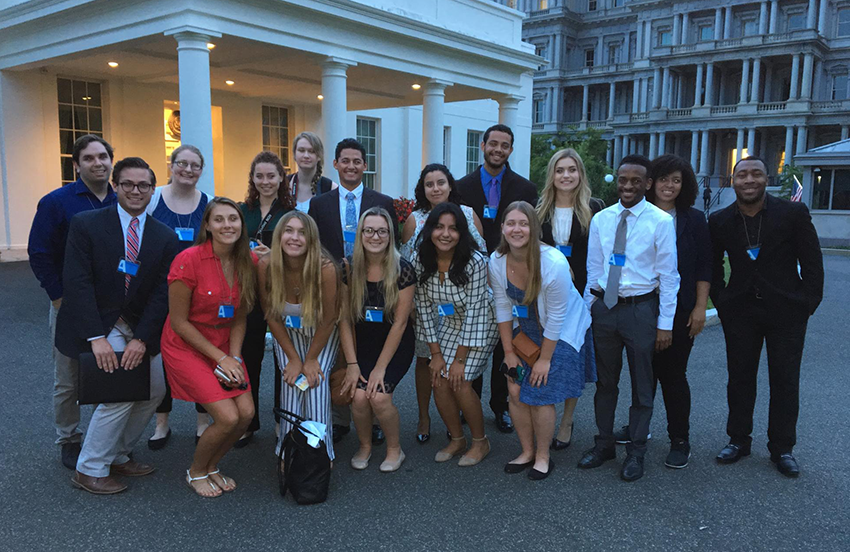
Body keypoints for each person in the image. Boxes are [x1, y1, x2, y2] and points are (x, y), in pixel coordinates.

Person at [56, 157, 178, 494]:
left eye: (143, 185)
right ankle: (90, 468)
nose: (135, 191)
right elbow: (77, 282)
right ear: (116, 186)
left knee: (154, 390)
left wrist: (141, 339)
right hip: (97, 323)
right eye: (128, 184)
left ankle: (117, 454)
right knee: (119, 393)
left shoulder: (164, 236)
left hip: (138, 327)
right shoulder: (86, 224)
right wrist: (97, 338)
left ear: (153, 191)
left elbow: (161, 293)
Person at [709, 157, 823, 478]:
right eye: (742, 174)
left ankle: (782, 448)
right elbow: (713, 267)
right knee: (740, 378)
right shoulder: (719, 221)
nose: (749, 180)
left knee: (785, 381)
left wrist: (806, 304)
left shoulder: (792, 214)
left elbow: (812, 264)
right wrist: (723, 302)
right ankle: (738, 440)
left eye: (755, 174)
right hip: (741, 313)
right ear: (733, 181)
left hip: (786, 313)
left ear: (766, 178)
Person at [577, 154, 679, 482]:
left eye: (636, 181)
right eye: (623, 179)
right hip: (606, 308)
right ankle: (604, 443)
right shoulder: (602, 219)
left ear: (648, 184)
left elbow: (669, 276)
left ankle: (636, 450)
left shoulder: (660, 222)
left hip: (641, 310)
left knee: (642, 384)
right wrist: (589, 309)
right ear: (616, 180)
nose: (628, 186)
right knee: (605, 383)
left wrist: (665, 324)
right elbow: (593, 266)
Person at [609, 155, 711, 469]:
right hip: (640, 307)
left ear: (685, 185)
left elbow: (705, 266)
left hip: (679, 311)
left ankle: (680, 438)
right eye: (664, 179)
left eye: (676, 180)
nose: (669, 186)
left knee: (673, 375)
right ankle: (640, 428)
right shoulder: (636, 215)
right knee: (643, 375)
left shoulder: (693, 219)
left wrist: (699, 308)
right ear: (652, 183)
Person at [28, 134, 117, 470]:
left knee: (109, 372)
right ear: (77, 164)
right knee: (68, 377)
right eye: (90, 158)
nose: (98, 163)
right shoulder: (56, 202)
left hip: (111, 307)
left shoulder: (120, 199)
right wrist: (57, 297)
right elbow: (39, 253)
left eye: (103, 157)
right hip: (70, 305)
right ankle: (68, 438)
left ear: (111, 161)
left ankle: (103, 438)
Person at [490, 201, 595, 480]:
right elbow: (501, 307)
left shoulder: (553, 263)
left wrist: (545, 360)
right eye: (511, 223)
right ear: (502, 228)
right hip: (525, 328)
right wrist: (509, 352)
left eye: (524, 223)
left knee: (539, 390)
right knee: (513, 389)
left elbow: (558, 316)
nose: (517, 229)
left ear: (535, 229)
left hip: (559, 331)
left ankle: (543, 456)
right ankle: (526, 451)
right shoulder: (497, 260)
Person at [160, 197, 257, 498]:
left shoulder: (248, 261)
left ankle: (213, 465)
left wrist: (236, 357)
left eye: (233, 219)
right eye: (219, 219)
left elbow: (240, 316)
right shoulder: (188, 259)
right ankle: (197, 471)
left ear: (242, 224)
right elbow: (179, 322)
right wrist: (221, 358)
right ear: (208, 225)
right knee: (227, 416)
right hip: (186, 344)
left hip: (225, 343)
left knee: (246, 414)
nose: (227, 225)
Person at [308, 138, 397, 444]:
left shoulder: (382, 202)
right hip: (333, 286)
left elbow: (390, 243)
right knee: (338, 353)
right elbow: (315, 247)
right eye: (344, 160)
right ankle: (341, 417)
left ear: (365, 165)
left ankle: (370, 415)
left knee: (367, 348)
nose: (350, 166)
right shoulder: (319, 205)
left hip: (372, 289)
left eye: (357, 161)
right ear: (335, 164)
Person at [457, 123, 537, 434]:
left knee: (509, 344)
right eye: (494, 144)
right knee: (475, 339)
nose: (498, 150)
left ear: (510, 150)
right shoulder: (462, 186)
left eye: (505, 145)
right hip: (473, 275)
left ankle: (501, 406)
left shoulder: (525, 189)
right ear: (483, 145)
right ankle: (470, 402)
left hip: (511, 273)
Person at [401, 163, 485, 443]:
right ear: (422, 188)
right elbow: (408, 266)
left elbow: (481, 257)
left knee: (458, 378)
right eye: (429, 184)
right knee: (428, 363)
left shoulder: (467, 216)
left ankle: (468, 431)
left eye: (441, 182)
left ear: (450, 185)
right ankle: (425, 417)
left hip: (464, 303)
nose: (435, 188)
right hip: (430, 301)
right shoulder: (415, 219)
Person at [413, 202, 498, 467]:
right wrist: (435, 355)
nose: (445, 234)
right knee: (437, 376)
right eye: (439, 227)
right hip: (449, 321)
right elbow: (424, 307)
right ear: (430, 230)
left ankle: (480, 441)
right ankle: (458, 439)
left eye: (453, 228)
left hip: (483, 321)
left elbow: (476, 310)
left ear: (462, 232)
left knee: (459, 381)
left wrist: (459, 360)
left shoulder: (473, 261)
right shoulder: (420, 258)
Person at [146, 144, 213, 449]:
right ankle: (162, 423)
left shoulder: (207, 202)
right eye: (182, 164)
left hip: (199, 292)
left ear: (201, 170)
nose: (188, 170)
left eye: (195, 165)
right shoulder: (153, 198)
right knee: (160, 356)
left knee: (201, 354)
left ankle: (202, 421)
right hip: (159, 289)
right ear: (171, 165)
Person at [537, 148, 605, 450]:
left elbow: (601, 257)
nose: (566, 175)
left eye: (572, 169)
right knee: (549, 358)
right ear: (552, 175)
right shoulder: (538, 211)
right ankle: (545, 412)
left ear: (580, 174)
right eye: (560, 170)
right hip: (547, 297)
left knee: (574, 359)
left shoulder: (595, 209)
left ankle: (567, 420)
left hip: (581, 298)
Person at [260, 211, 340, 462]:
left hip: (321, 334)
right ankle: (287, 455)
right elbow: (272, 316)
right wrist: (294, 359)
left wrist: (311, 359)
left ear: (311, 239)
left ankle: (320, 457)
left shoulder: (325, 268)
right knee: (292, 385)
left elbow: (329, 319)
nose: (295, 238)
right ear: (279, 235)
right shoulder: (266, 265)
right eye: (289, 231)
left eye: (302, 233)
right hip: (288, 334)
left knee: (315, 384)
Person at [339, 207, 415, 472]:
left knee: (379, 397)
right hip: (363, 344)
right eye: (369, 230)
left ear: (390, 235)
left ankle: (395, 449)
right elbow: (345, 320)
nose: (375, 236)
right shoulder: (348, 267)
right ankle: (365, 445)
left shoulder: (403, 270)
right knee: (359, 398)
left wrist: (380, 369)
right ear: (360, 234)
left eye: (382, 231)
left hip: (394, 344)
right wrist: (352, 364)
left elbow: (402, 323)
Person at [237, 151, 295, 447]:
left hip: (280, 292)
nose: (265, 181)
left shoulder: (291, 213)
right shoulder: (240, 210)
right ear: (252, 178)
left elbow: (301, 250)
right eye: (259, 176)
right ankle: (248, 421)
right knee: (249, 356)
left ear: (281, 178)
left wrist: (274, 257)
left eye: (271, 175)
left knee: (282, 358)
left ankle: (280, 419)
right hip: (247, 292)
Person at [289, 131, 337, 212]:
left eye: (311, 151)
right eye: (301, 150)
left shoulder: (330, 188)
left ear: (319, 156)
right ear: (294, 154)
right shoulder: (284, 185)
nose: (306, 156)